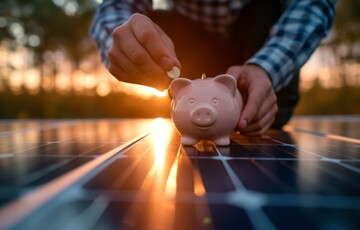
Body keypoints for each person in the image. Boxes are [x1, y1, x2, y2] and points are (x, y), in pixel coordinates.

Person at [90, 0, 336, 136]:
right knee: (157, 20)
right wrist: (122, 37)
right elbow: (115, 6)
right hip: (191, 53)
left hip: (260, 45)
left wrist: (266, 67)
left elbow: (312, 4)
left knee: (266, 8)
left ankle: (261, 94)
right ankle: (188, 121)